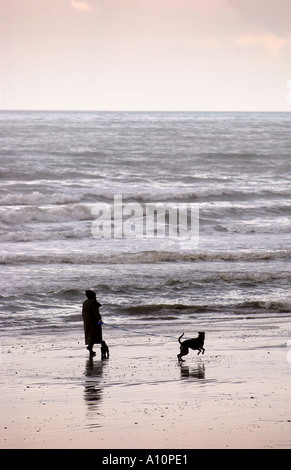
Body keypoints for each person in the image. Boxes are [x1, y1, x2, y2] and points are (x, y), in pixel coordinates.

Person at [82, 289, 103, 357]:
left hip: (86, 320)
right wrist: (99, 319)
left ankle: (90, 348)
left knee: (89, 334)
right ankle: (90, 347)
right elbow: (95, 312)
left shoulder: (85, 303)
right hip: (93, 321)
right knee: (94, 334)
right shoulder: (93, 302)